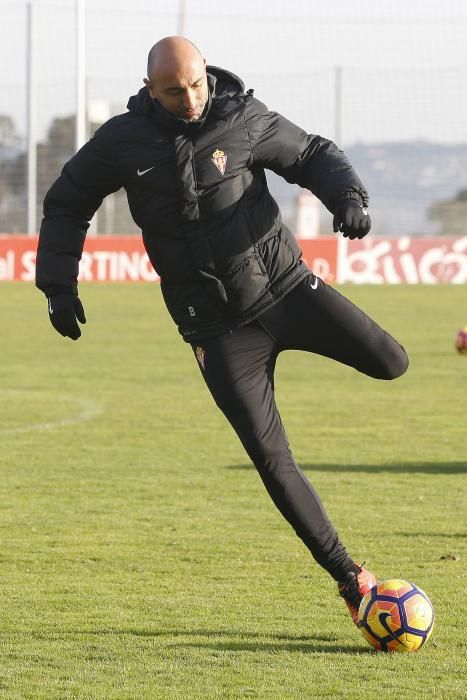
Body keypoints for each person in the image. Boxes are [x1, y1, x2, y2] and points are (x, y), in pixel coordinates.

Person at [36, 36, 409, 627]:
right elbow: (66, 202)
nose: (188, 99)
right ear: (149, 90)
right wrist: (58, 284)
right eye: (172, 91)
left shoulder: (244, 117)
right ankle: (352, 580)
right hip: (216, 330)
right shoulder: (121, 142)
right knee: (271, 458)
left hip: (287, 292)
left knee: (393, 361)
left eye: (195, 84)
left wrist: (348, 196)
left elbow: (310, 153)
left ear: (207, 74)